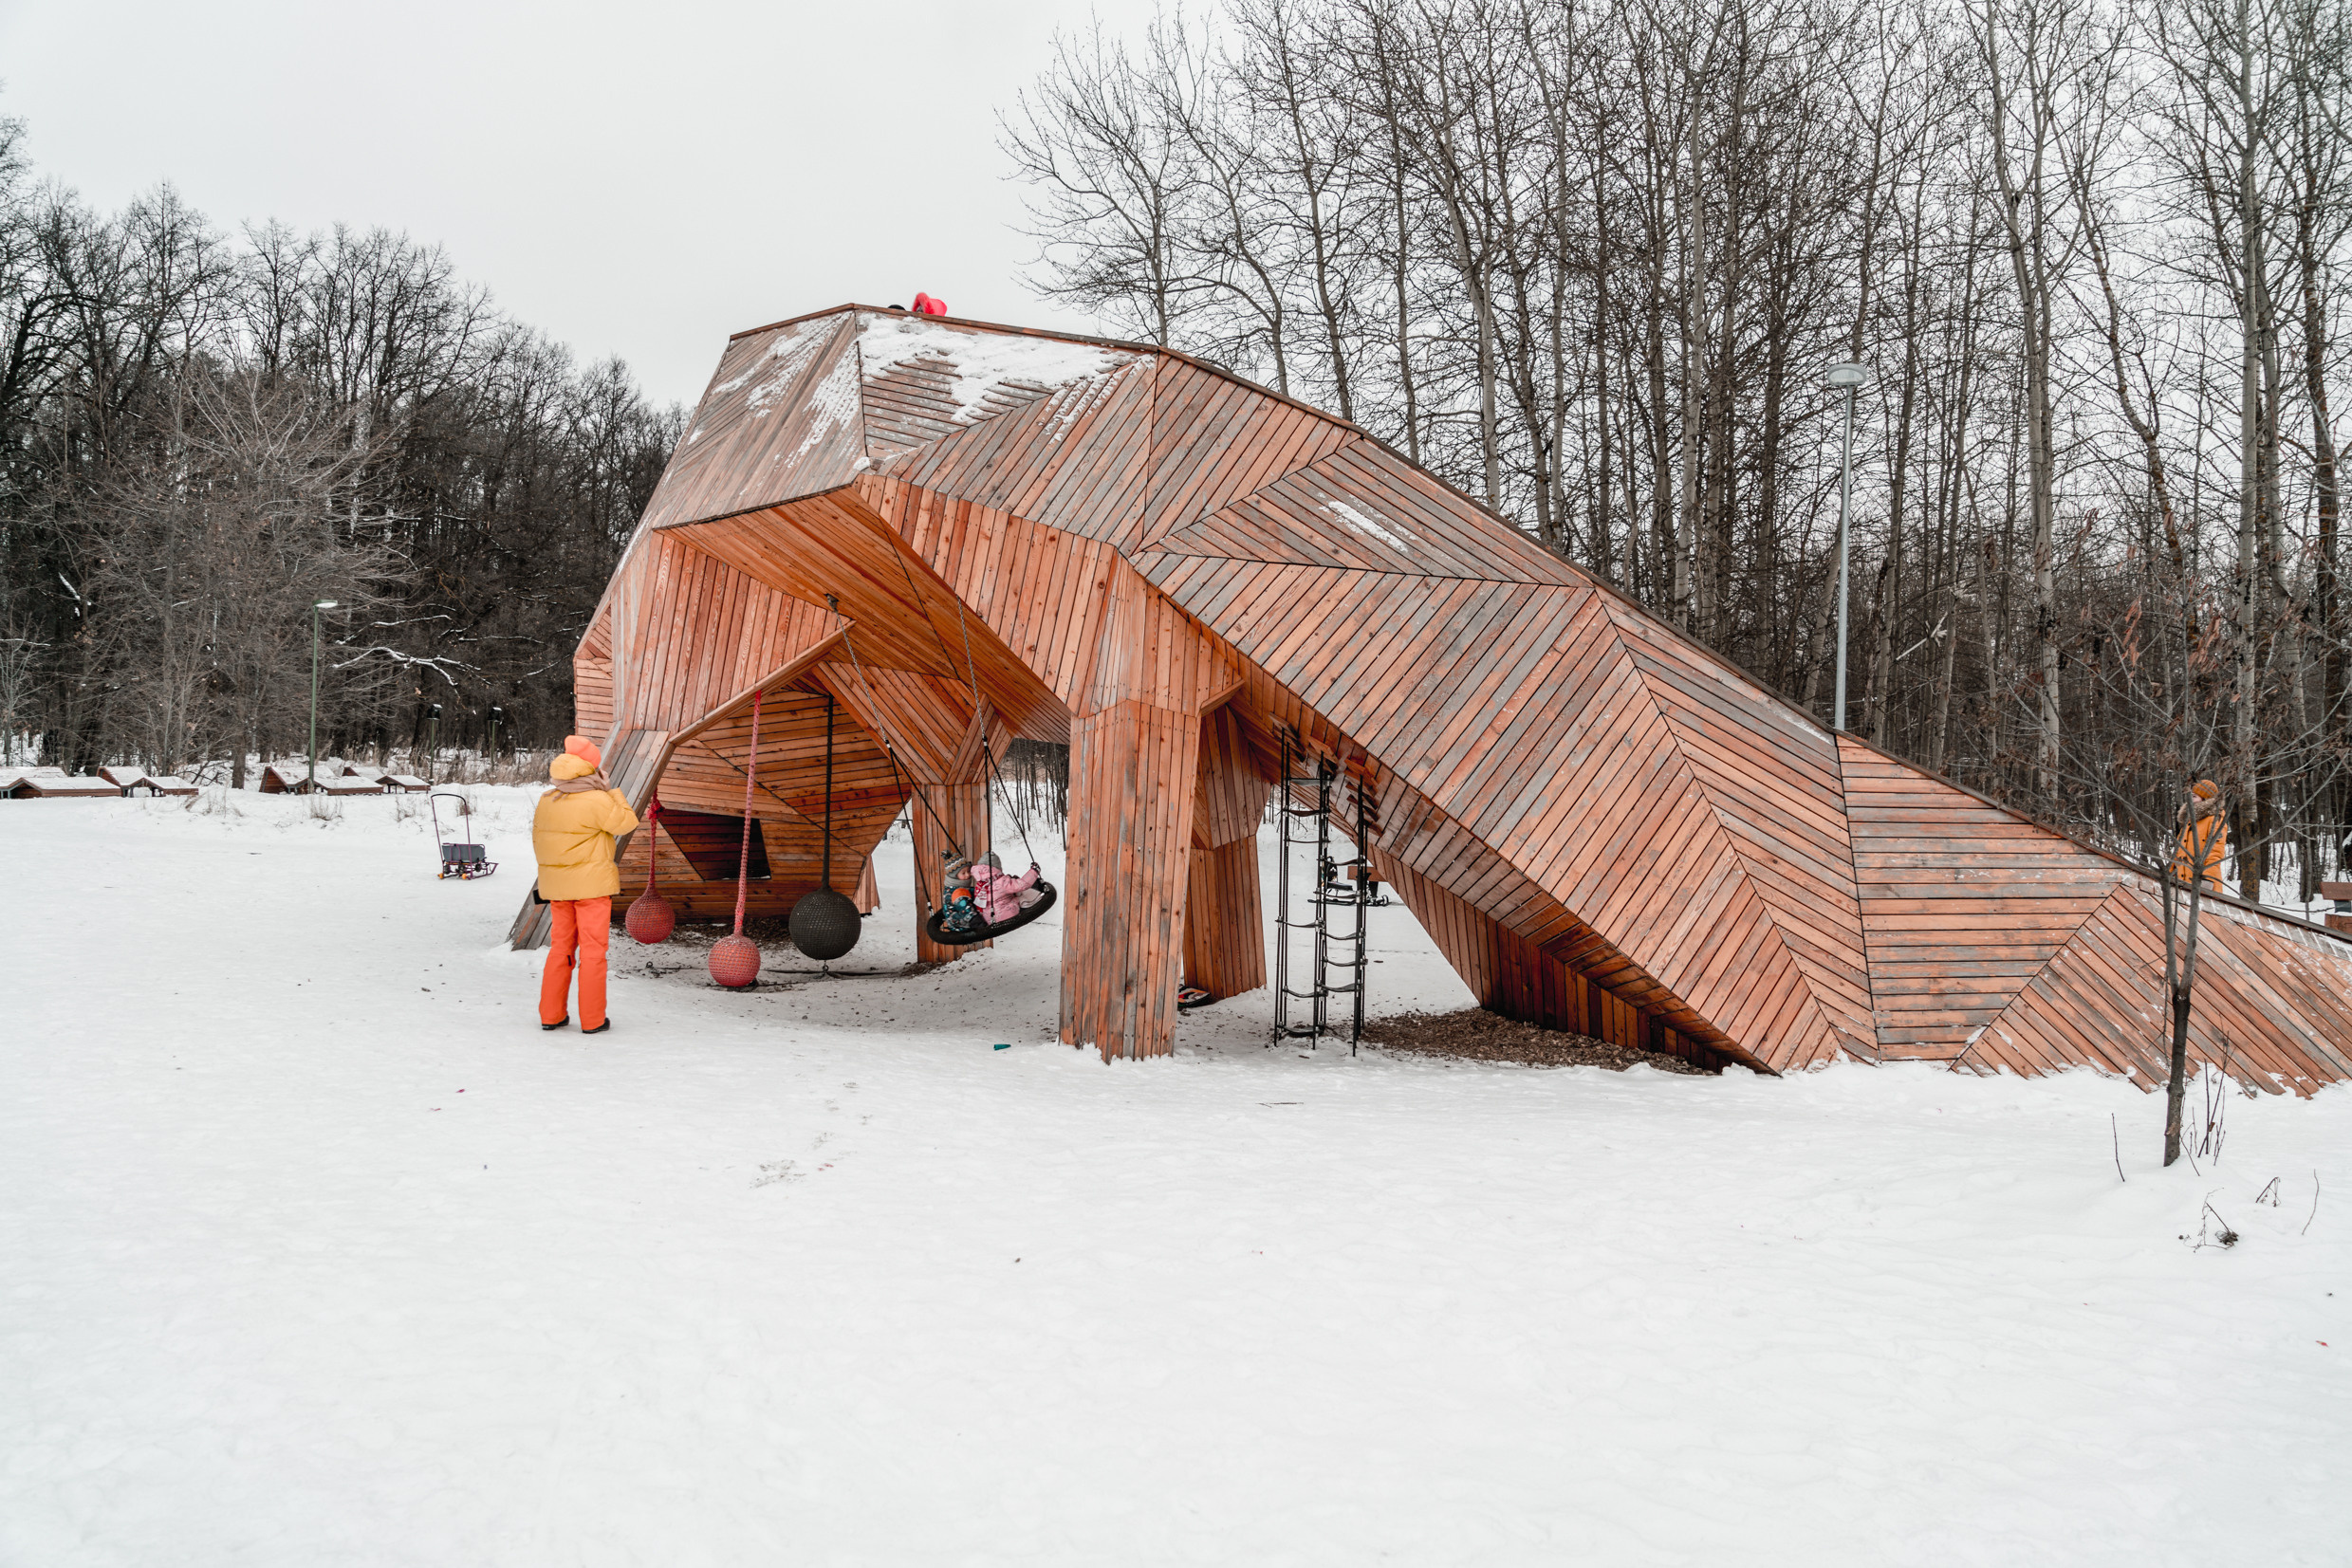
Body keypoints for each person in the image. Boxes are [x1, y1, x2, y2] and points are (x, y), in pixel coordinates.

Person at [534, 735, 639, 1033]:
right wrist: (611, 790)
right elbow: (627, 822)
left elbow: (538, 841)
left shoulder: (547, 799)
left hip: (557, 889)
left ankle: (551, 1015)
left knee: (560, 950)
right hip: (592, 890)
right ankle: (593, 1020)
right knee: (593, 953)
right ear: (591, 770)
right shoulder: (597, 800)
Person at [2174, 778, 2229, 896]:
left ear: (2206, 799)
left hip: (2201, 884)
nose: (2190, 800)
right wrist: (2171, 874)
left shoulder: (2215, 820)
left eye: (2194, 796)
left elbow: (2215, 853)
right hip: (2182, 883)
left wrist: (2207, 881)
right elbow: (2178, 852)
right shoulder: (2189, 821)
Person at [972, 853, 1042, 924]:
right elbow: (1022, 884)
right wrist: (1034, 871)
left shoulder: (980, 884)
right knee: (1020, 896)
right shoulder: (1002, 882)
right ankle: (1033, 898)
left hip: (989, 918)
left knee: (1008, 893)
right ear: (997, 867)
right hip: (1005, 916)